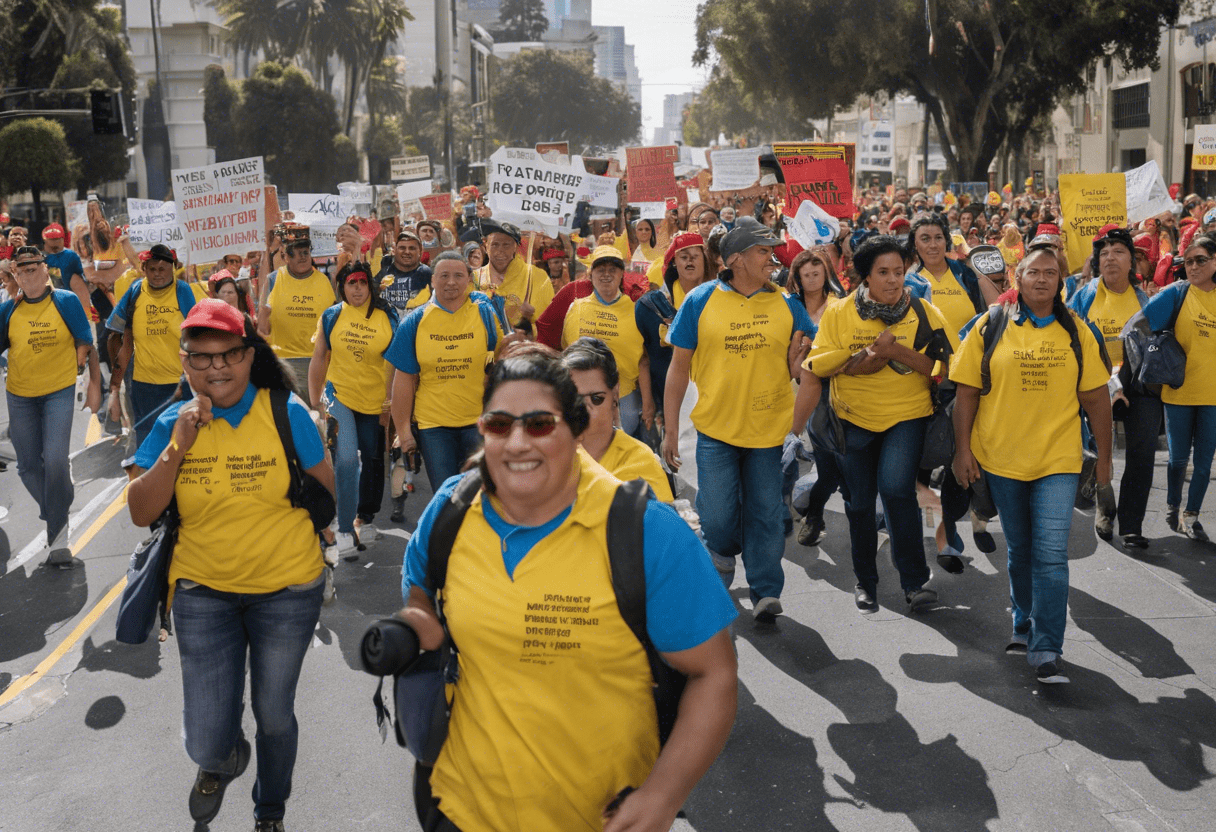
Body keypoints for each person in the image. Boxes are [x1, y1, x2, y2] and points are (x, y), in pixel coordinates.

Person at [395, 352, 737, 831]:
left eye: (538, 425)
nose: (516, 443)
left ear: (576, 430)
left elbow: (714, 673)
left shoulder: (644, 531)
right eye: (498, 424)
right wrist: (413, 632)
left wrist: (663, 795)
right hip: (460, 808)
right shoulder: (448, 512)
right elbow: (419, 601)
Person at [126, 299, 334, 831]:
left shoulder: (285, 410)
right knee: (205, 736)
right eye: (202, 358)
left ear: (249, 355)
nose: (217, 368)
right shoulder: (175, 421)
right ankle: (222, 759)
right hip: (202, 591)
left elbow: (328, 491)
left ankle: (270, 810)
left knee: (274, 713)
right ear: (184, 361)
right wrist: (179, 445)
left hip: (288, 589)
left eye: (230, 355)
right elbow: (141, 510)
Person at [951, 248, 1113, 684]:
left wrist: (1105, 463)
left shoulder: (1078, 332)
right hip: (1001, 459)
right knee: (1020, 550)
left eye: (1051, 273)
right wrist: (962, 451)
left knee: (1051, 554)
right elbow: (966, 392)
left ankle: (1046, 647)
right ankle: (1022, 620)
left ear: (1062, 280)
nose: (1042, 279)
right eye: (1033, 272)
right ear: (1016, 278)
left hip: (1058, 460)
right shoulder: (991, 324)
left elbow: (1096, 400)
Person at [794, 235, 956, 614]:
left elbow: (949, 370)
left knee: (898, 490)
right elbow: (817, 366)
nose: (893, 280)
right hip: (852, 421)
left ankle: (915, 582)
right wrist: (863, 358)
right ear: (865, 276)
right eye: (883, 272)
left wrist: (896, 352)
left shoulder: (926, 313)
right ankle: (866, 583)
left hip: (907, 417)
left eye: (899, 272)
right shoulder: (839, 313)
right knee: (860, 504)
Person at [664, 217, 815, 621]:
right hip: (716, 431)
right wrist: (669, 430)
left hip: (769, 432)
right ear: (736, 259)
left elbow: (805, 365)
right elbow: (678, 367)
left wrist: (800, 366)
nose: (773, 259)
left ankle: (766, 590)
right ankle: (722, 552)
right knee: (717, 513)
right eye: (764, 252)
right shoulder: (699, 301)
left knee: (767, 512)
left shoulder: (788, 304)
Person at [906, 212, 1000, 572]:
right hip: (921, 382)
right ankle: (932, 537)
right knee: (921, 464)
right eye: (924, 238)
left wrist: (974, 266)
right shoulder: (909, 279)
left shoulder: (963, 274)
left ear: (948, 241)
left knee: (963, 457)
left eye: (938, 238)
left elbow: (995, 307)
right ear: (914, 244)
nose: (932, 244)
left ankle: (949, 537)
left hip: (965, 382)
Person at [1, 246, 101, 564]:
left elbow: (86, 340)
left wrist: (92, 382)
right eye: (21, 270)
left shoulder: (66, 301)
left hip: (58, 391)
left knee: (56, 460)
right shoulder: (7, 310)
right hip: (19, 396)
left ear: (46, 270)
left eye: (34, 268)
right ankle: (54, 504)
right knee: (28, 466)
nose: (28, 274)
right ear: (14, 274)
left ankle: (58, 536)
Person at [386, 252, 505, 499]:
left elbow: (501, 364)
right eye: (444, 276)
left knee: (483, 496)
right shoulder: (415, 322)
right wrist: (404, 432)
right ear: (432, 281)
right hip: (434, 427)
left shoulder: (485, 314)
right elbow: (404, 381)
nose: (451, 282)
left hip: (478, 422)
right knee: (447, 498)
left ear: (469, 280)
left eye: (458, 275)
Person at [1069, 228, 1156, 547]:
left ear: (1131, 260)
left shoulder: (1144, 298)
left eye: (1118, 251)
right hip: (1096, 383)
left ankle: (1132, 525)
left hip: (1137, 384)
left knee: (1142, 453)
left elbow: (1154, 342)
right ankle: (1105, 506)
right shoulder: (1084, 295)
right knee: (1103, 451)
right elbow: (1070, 338)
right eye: (1103, 253)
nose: (1110, 258)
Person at [308, 262, 399, 552]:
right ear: (342, 287)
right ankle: (345, 529)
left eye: (362, 282)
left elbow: (399, 361)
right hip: (339, 396)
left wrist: (392, 401)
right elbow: (319, 357)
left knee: (373, 460)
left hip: (376, 401)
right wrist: (314, 403)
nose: (357, 288)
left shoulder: (388, 315)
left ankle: (366, 516)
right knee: (346, 459)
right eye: (351, 283)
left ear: (370, 285)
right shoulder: (332, 315)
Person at [1139, 234, 1216, 541]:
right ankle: (1173, 504)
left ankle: (1191, 514)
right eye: (1188, 260)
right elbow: (1136, 325)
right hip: (1179, 392)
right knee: (1177, 459)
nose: (1193, 266)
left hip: (1212, 396)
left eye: (1201, 260)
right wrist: (1154, 352)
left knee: (1204, 462)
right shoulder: (1175, 293)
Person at [561, 337, 673, 501]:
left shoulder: (640, 463)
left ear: (615, 392)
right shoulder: (546, 455)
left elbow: (661, 524)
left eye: (596, 398)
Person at [786, 248, 847, 547]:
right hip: (809, 395)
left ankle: (867, 519)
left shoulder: (841, 305)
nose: (811, 279)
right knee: (828, 467)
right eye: (805, 274)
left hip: (846, 389)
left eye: (817, 273)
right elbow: (793, 368)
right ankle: (813, 515)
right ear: (797, 278)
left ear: (826, 275)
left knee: (848, 465)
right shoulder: (789, 308)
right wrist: (804, 349)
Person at [106, 244, 197, 444]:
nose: (157, 274)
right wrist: (116, 385)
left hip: (180, 385)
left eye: (162, 269)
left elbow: (197, 334)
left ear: (173, 268)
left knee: (183, 445)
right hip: (144, 387)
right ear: (144, 269)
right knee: (149, 445)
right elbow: (114, 334)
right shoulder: (135, 291)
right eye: (152, 269)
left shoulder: (182, 291)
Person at [560, 245, 654, 436]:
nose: (606, 275)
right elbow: (567, 350)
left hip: (625, 397)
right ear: (590, 274)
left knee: (620, 452)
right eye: (600, 270)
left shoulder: (637, 309)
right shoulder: (576, 308)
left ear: (622, 275)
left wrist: (648, 403)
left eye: (613, 270)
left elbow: (644, 360)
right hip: (581, 396)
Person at [634, 233, 710, 423]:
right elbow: (644, 358)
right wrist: (651, 404)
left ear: (705, 260)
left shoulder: (719, 297)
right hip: (673, 401)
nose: (689, 262)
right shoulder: (652, 306)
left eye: (695, 256)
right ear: (674, 262)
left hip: (713, 396)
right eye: (684, 257)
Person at [258, 226, 336, 405]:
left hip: (319, 362)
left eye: (306, 252)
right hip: (285, 364)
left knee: (318, 423)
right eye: (296, 252)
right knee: (290, 422)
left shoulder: (325, 281)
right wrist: (263, 316)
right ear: (285, 256)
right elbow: (262, 329)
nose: (302, 256)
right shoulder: (273, 280)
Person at [473, 219, 554, 333]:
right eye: (495, 244)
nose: (500, 251)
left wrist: (528, 321)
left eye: (506, 245)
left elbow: (548, 326)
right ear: (485, 244)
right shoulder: (474, 278)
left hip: (521, 348)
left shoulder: (536, 276)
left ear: (515, 246)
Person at [40, 222, 93, 320]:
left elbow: (81, 281)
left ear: (62, 239)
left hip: (71, 302)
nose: (55, 241)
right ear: (45, 240)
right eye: (51, 239)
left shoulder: (71, 256)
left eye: (57, 238)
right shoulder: (40, 258)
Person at [377, 231, 433, 313]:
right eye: (402, 248)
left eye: (412, 248)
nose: (407, 252)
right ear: (395, 249)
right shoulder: (385, 270)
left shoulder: (425, 273)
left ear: (420, 251)